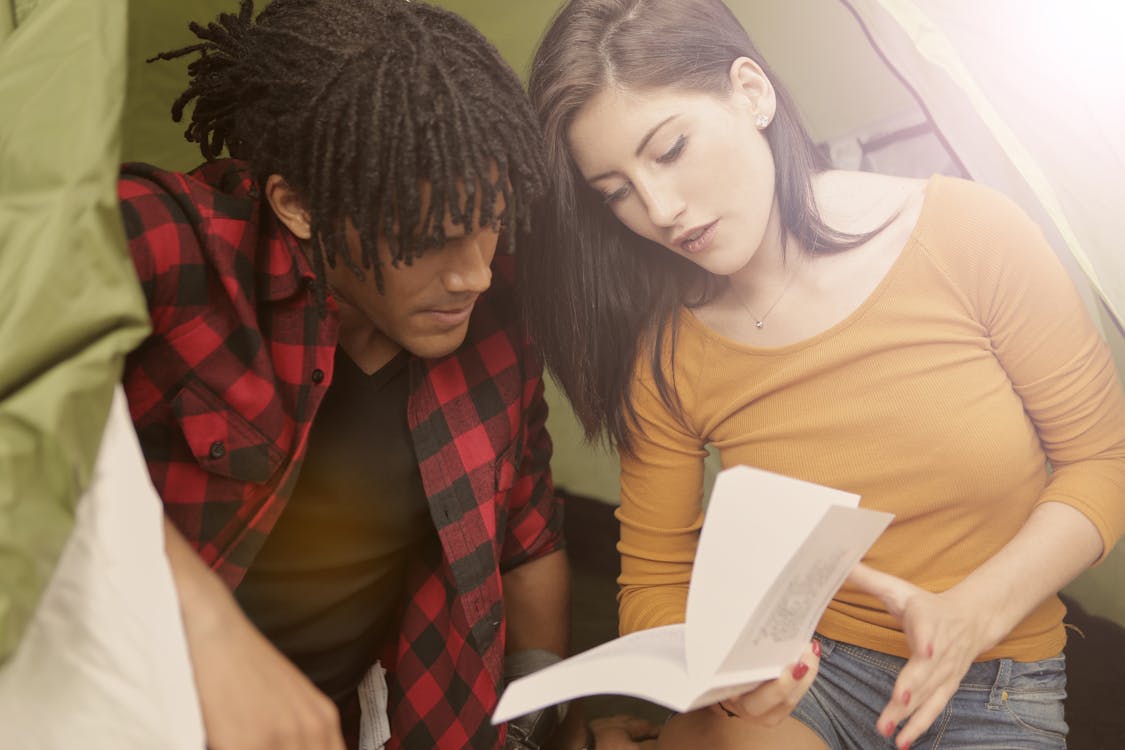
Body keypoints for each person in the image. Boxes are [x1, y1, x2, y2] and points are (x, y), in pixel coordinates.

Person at [523, 1, 1125, 749]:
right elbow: (651, 584)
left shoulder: (968, 234)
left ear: (751, 92)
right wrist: (726, 682)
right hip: (805, 674)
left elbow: (1100, 464)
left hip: (993, 679)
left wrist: (973, 612)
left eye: (671, 149)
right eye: (615, 192)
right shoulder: (664, 351)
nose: (660, 209)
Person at [116, 1, 658, 748]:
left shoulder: (495, 315)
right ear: (300, 205)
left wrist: (546, 730)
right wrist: (207, 631)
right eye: (432, 240)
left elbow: (527, 546)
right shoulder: (166, 244)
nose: (474, 274)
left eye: (491, 220)